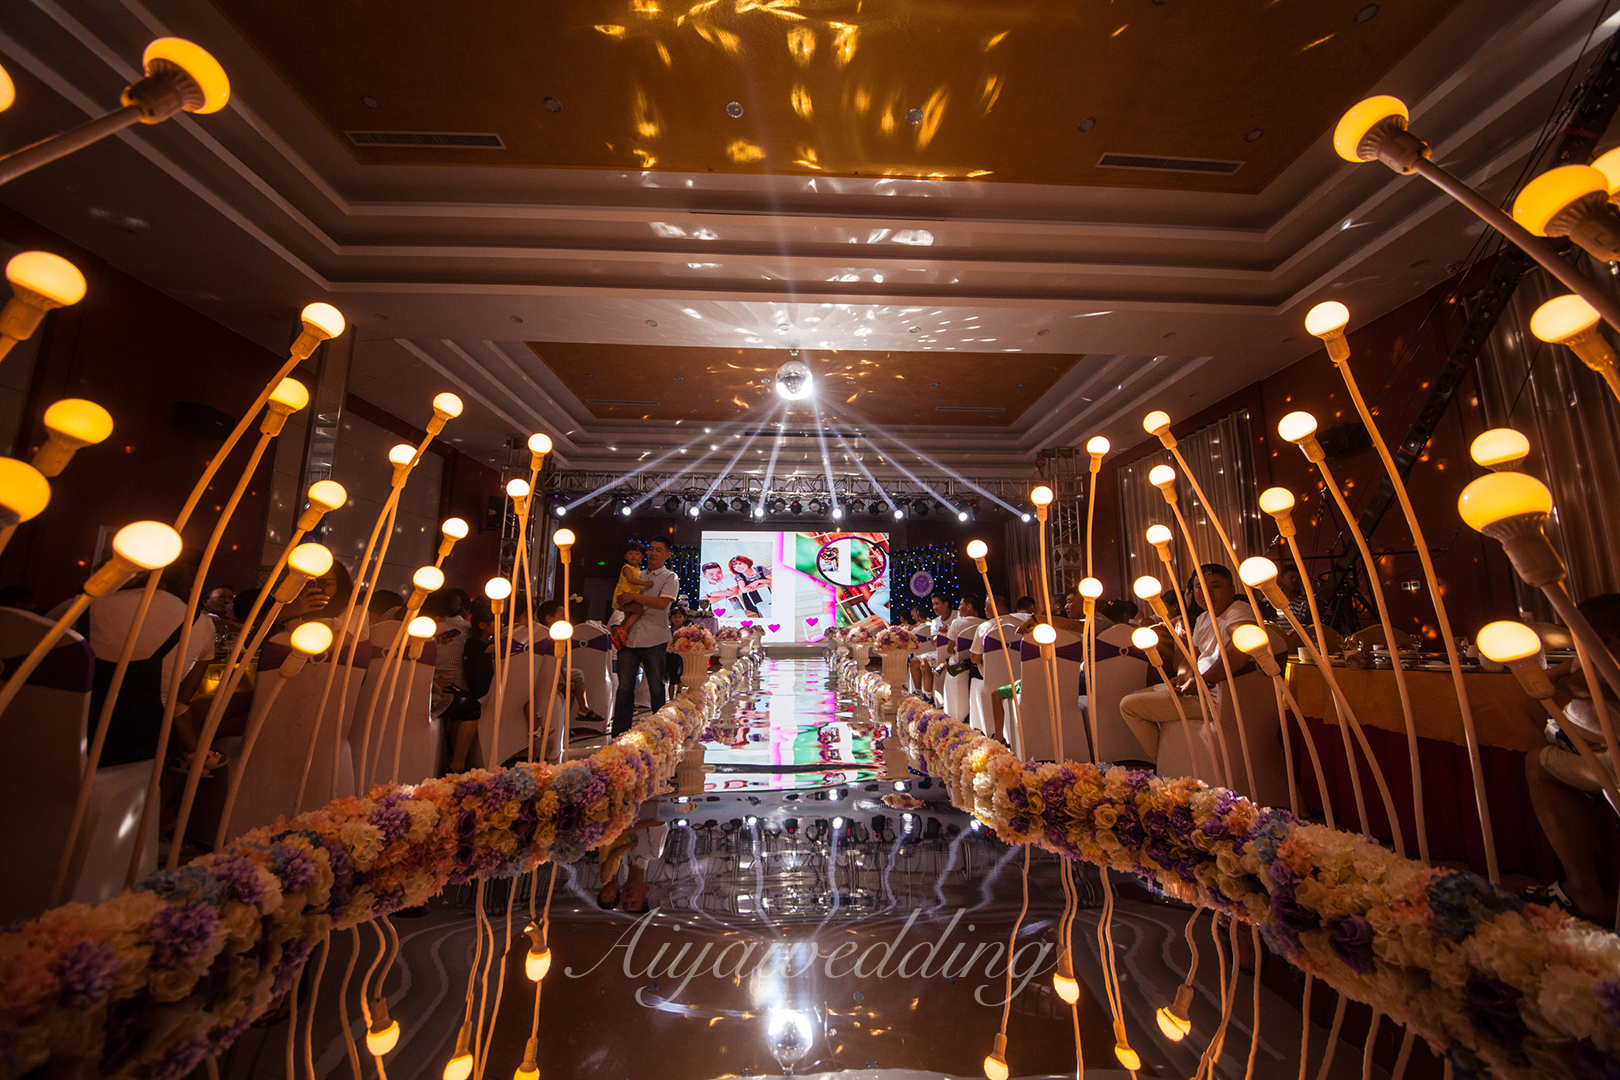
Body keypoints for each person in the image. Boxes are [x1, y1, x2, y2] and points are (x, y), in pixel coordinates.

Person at [1525, 593, 1620, 924]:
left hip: (1611, 763)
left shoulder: (1606, 671)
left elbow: (1570, 684)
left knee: (1537, 764)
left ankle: (1583, 889)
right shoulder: (1596, 661)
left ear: (1602, 640)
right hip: (1598, 754)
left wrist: (1567, 673)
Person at [69, 561, 215, 767]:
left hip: (70, 734)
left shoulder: (80, 606)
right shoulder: (201, 623)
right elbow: (181, 698)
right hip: (145, 746)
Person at [1116, 564, 1257, 762]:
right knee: (1133, 696)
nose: (1207, 593)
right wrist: (1182, 677)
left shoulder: (1238, 610)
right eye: (1200, 587)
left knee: (1129, 706)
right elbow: (1190, 657)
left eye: (1215, 586)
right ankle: (1173, 761)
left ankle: (1165, 762)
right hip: (1201, 689)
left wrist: (1204, 682)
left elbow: (1241, 647)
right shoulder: (1203, 618)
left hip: (1219, 697)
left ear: (1232, 589)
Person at [611, 538, 679, 735]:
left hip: (654, 639)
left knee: (656, 688)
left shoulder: (669, 577)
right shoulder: (636, 574)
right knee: (624, 689)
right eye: (650, 549)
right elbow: (621, 598)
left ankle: (660, 732)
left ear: (667, 555)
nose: (652, 553)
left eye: (658, 550)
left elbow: (662, 604)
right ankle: (619, 735)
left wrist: (634, 597)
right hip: (629, 638)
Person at [609, 545, 650, 650]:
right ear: (625, 556)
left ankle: (617, 637)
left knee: (628, 616)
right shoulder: (627, 568)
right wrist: (645, 583)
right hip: (624, 595)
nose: (633, 556)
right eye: (630, 553)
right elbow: (631, 580)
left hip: (629, 595)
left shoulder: (637, 569)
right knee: (638, 611)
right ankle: (623, 632)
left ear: (642, 556)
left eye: (637, 554)